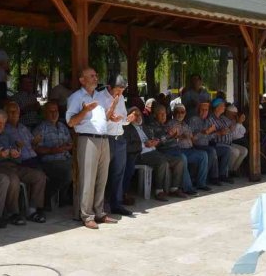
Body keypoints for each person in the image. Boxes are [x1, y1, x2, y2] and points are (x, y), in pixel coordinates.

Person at [66, 67, 121, 229]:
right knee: (87, 178)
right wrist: (84, 111)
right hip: (87, 139)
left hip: (103, 139)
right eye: (91, 76)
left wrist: (112, 111)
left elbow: (103, 117)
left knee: (102, 178)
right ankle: (86, 215)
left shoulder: (99, 96)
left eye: (96, 75)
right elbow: (71, 122)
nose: (96, 78)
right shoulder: (76, 97)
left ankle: (99, 212)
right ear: (82, 80)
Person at [0, 110, 47, 225]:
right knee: (13, 179)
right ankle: (13, 213)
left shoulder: (7, 136)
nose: (2, 126)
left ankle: (33, 209)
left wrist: (15, 153)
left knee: (39, 176)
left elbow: (18, 157)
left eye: (4, 123)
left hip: (13, 165)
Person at [125, 107, 184, 200]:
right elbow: (127, 146)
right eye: (135, 115)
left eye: (139, 115)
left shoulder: (144, 127)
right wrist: (144, 144)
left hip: (153, 151)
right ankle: (159, 191)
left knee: (178, 161)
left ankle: (174, 188)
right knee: (162, 161)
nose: (138, 117)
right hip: (140, 154)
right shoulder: (127, 129)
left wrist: (154, 141)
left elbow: (154, 139)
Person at [147, 104, 198, 195]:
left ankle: (175, 188)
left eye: (165, 114)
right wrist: (170, 135)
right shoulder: (151, 126)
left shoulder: (164, 126)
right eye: (161, 114)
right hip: (163, 151)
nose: (163, 116)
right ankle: (187, 187)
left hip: (175, 148)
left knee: (183, 159)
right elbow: (156, 143)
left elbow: (169, 138)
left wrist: (174, 136)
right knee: (182, 158)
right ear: (155, 115)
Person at [32, 100, 74, 208]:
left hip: (65, 158)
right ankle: (49, 195)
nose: (54, 113)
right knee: (69, 172)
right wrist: (52, 150)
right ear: (45, 113)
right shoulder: (41, 128)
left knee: (82, 167)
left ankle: (66, 197)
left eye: (56, 111)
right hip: (50, 161)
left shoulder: (62, 126)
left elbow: (70, 142)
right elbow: (36, 149)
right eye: (51, 111)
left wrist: (68, 146)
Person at [105, 75, 134, 217]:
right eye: (118, 90)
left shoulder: (121, 98)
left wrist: (127, 120)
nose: (120, 94)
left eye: (122, 91)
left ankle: (116, 203)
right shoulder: (100, 97)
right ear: (109, 87)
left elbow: (122, 119)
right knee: (104, 173)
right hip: (106, 138)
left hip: (120, 138)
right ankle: (102, 206)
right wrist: (111, 114)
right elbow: (100, 121)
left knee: (118, 173)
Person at [189, 100, 229, 185]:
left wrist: (217, 133)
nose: (204, 112)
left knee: (225, 150)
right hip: (196, 146)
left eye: (206, 110)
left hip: (206, 145)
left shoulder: (207, 121)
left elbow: (208, 137)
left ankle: (219, 176)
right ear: (198, 110)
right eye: (202, 110)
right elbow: (193, 138)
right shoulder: (194, 120)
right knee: (211, 151)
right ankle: (204, 179)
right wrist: (205, 132)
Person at [208, 98, 237, 181]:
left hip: (225, 143)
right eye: (222, 106)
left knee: (233, 149)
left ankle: (225, 174)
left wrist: (229, 129)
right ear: (217, 108)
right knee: (227, 150)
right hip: (215, 144)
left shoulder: (221, 119)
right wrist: (219, 133)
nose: (224, 107)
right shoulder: (210, 119)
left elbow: (228, 129)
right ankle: (222, 175)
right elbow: (207, 135)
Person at [224, 104, 249, 175]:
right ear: (228, 113)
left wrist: (239, 123)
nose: (234, 116)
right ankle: (227, 171)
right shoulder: (225, 120)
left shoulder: (234, 121)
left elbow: (242, 133)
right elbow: (234, 136)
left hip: (231, 143)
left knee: (244, 151)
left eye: (235, 115)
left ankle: (234, 170)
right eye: (233, 114)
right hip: (225, 142)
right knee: (236, 152)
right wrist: (238, 123)